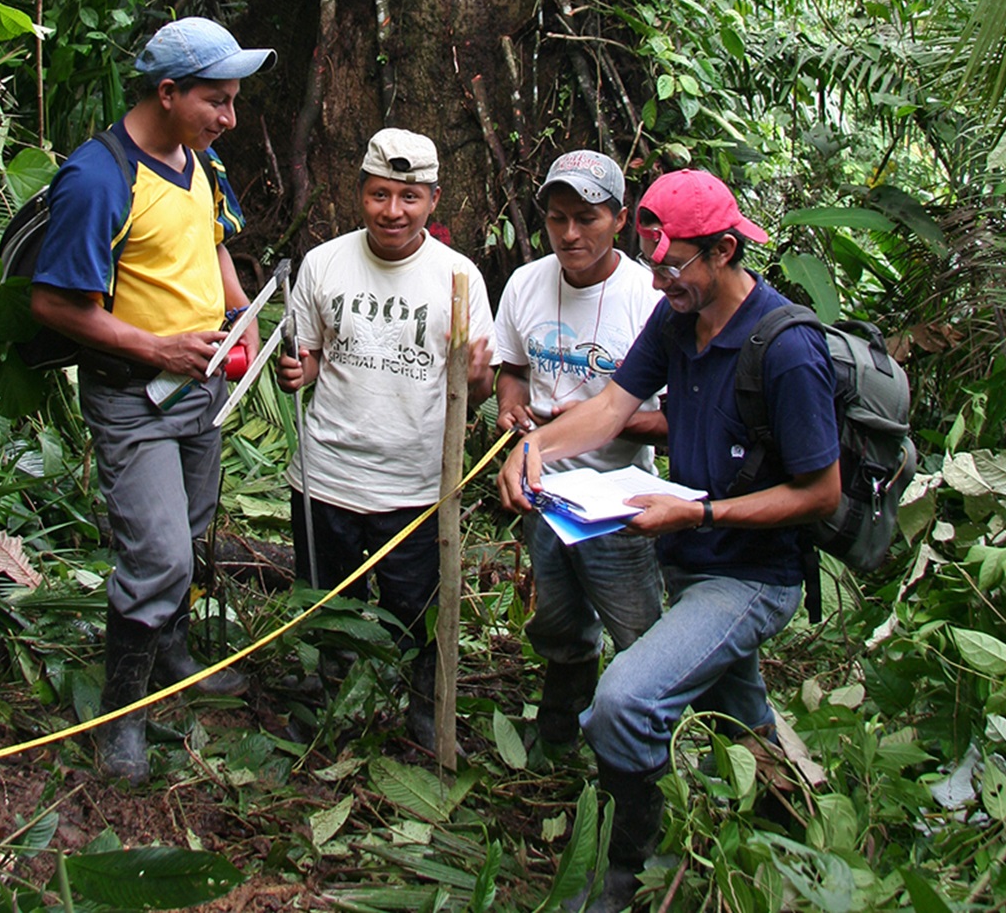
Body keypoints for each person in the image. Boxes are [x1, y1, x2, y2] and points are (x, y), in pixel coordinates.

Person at [498, 168, 840, 910]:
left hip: (749, 574)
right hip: (688, 557)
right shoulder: (677, 320)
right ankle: (797, 824)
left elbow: (821, 492)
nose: (660, 281)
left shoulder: (786, 348)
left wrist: (702, 514)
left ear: (723, 251)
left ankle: (625, 862)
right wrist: (537, 450)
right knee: (737, 709)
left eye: (675, 265)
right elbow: (612, 409)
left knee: (625, 699)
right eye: (654, 263)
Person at [30, 17, 276, 785]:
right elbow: (56, 305)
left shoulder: (199, 160)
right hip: (135, 394)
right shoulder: (99, 178)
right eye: (217, 101)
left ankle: (170, 649)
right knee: (159, 553)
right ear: (167, 92)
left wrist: (242, 309)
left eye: (234, 101)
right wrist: (159, 347)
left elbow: (211, 243)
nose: (228, 118)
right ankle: (121, 715)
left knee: (193, 525)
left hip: (198, 387)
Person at [276, 128, 497, 749]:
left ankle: (422, 711)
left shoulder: (458, 277)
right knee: (329, 603)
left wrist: (479, 380)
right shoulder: (325, 263)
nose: (392, 211)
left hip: (415, 486)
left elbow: (472, 391)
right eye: (379, 195)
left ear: (433, 200)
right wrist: (299, 368)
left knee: (414, 613)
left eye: (409, 197)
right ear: (361, 194)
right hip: (329, 475)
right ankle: (330, 704)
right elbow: (313, 353)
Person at [493, 151, 667, 747]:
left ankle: (644, 743)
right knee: (560, 621)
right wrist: (511, 403)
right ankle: (561, 729)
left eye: (587, 218)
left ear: (620, 219)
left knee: (639, 629)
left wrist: (605, 422)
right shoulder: (526, 283)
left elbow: (677, 420)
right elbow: (511, 366)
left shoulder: (648, 298)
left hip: (619, 501)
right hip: (543, 493)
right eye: (557, 218)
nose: (570, 234)